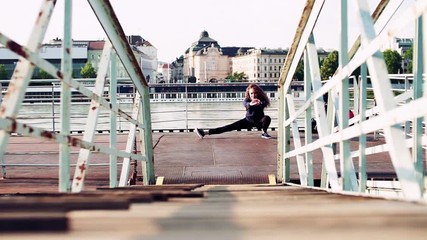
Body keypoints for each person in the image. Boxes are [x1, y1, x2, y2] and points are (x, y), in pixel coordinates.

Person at [195, 83, 272, 139]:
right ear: (249, 94)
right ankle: (205, 132)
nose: (254, 95)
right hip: (247, 121)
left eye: (255, 93)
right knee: (227, 127)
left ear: (258, 93)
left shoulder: (262, 100)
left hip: (259, 122)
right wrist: (251, 104)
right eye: (252, 93)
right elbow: (245, 104)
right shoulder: (247, 100)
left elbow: (264, 103)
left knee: (267, 118)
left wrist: (259, 103)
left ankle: (264, 132)